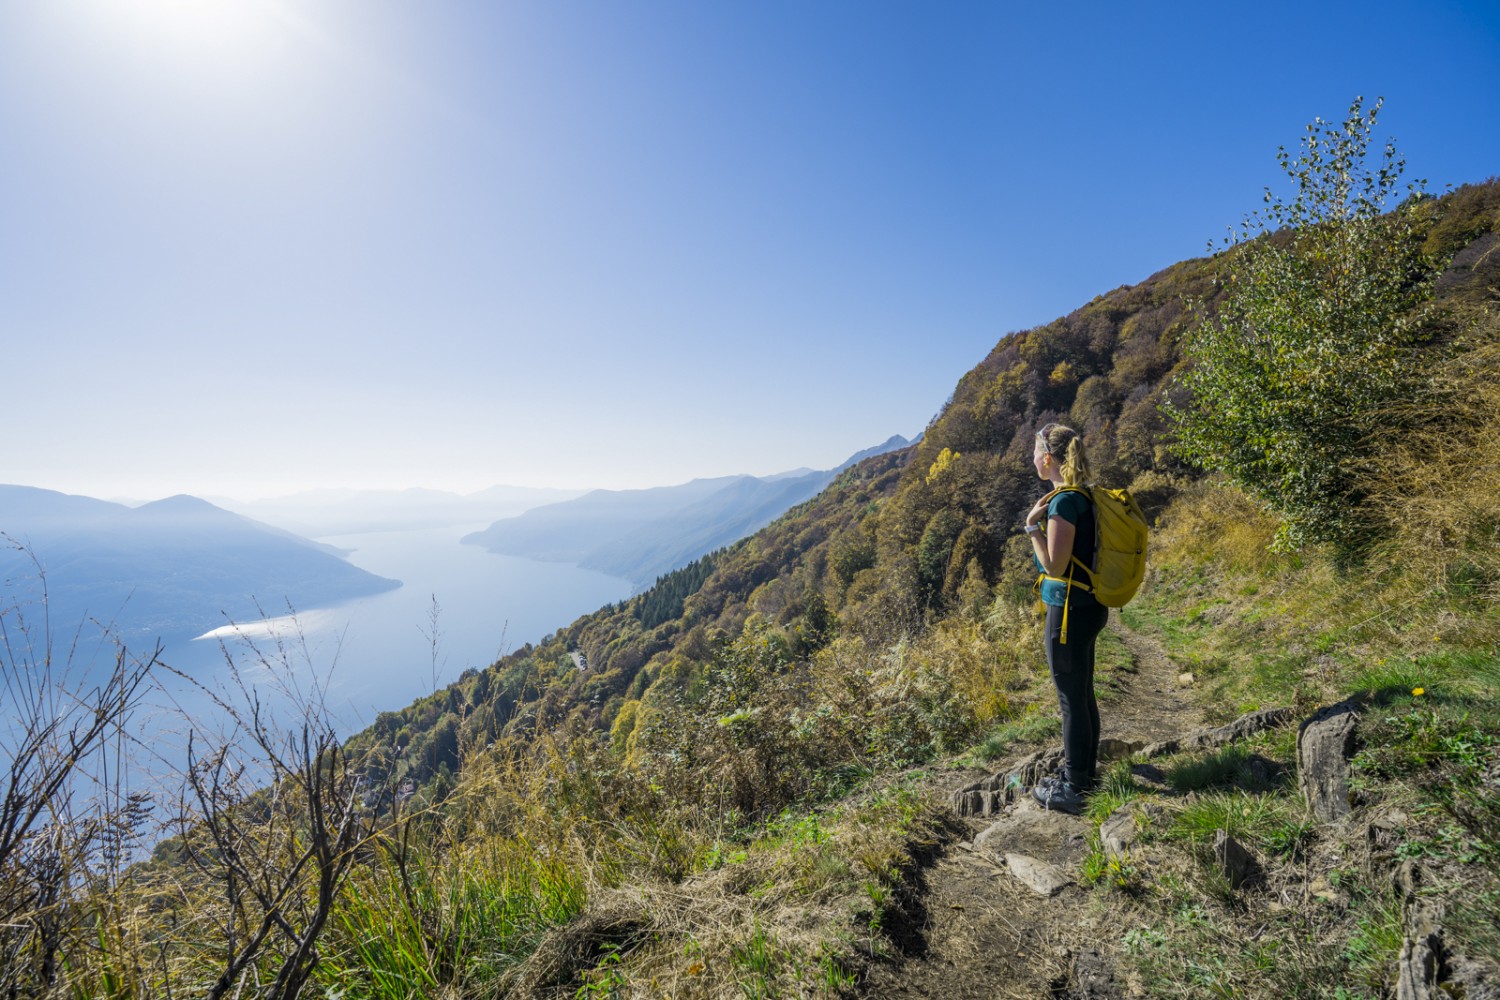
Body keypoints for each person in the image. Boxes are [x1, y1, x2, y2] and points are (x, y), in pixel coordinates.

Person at [1023, 422, 1108, 813]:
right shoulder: (1084, 496)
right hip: (1091, 606)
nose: (1032, 458)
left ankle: (1075, 788)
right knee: (1082, 692)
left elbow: (1055, 566)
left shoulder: (1062, 503)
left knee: (1071, 698)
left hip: (1069, 611)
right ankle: (1084, 773)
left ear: (1048, 458)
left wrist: (1032, 530)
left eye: (1035, 451)